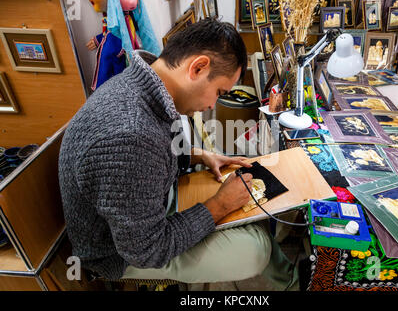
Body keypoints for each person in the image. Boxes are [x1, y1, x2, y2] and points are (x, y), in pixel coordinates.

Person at [58, 18, 297, 290]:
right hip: (121, 252)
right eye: (218, 92)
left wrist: (198, 155)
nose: (210, 105)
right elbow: (147, 250)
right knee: (257, 250)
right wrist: (220, 206)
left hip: (151, 206)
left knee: (252, 208)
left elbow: (155, 155)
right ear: (197, 67)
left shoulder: (145, 88)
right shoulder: (129, 135)